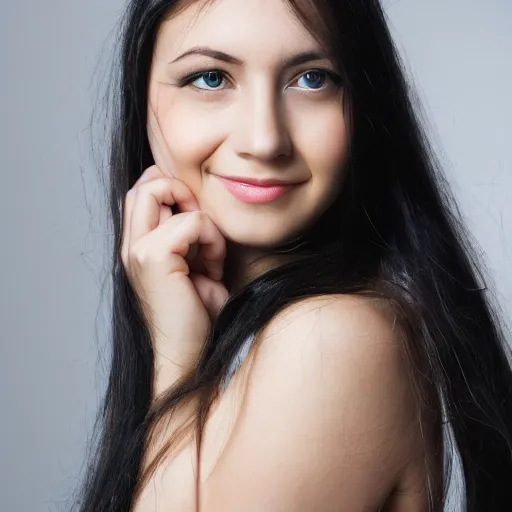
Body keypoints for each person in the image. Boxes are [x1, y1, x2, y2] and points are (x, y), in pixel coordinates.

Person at [72, 0, 512, 510]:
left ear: (366, 101)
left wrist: (176, 363)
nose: (265, 140)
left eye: (312, 80)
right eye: (211, 78)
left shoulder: (331, 338)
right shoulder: (279, 330)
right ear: (141, 94)